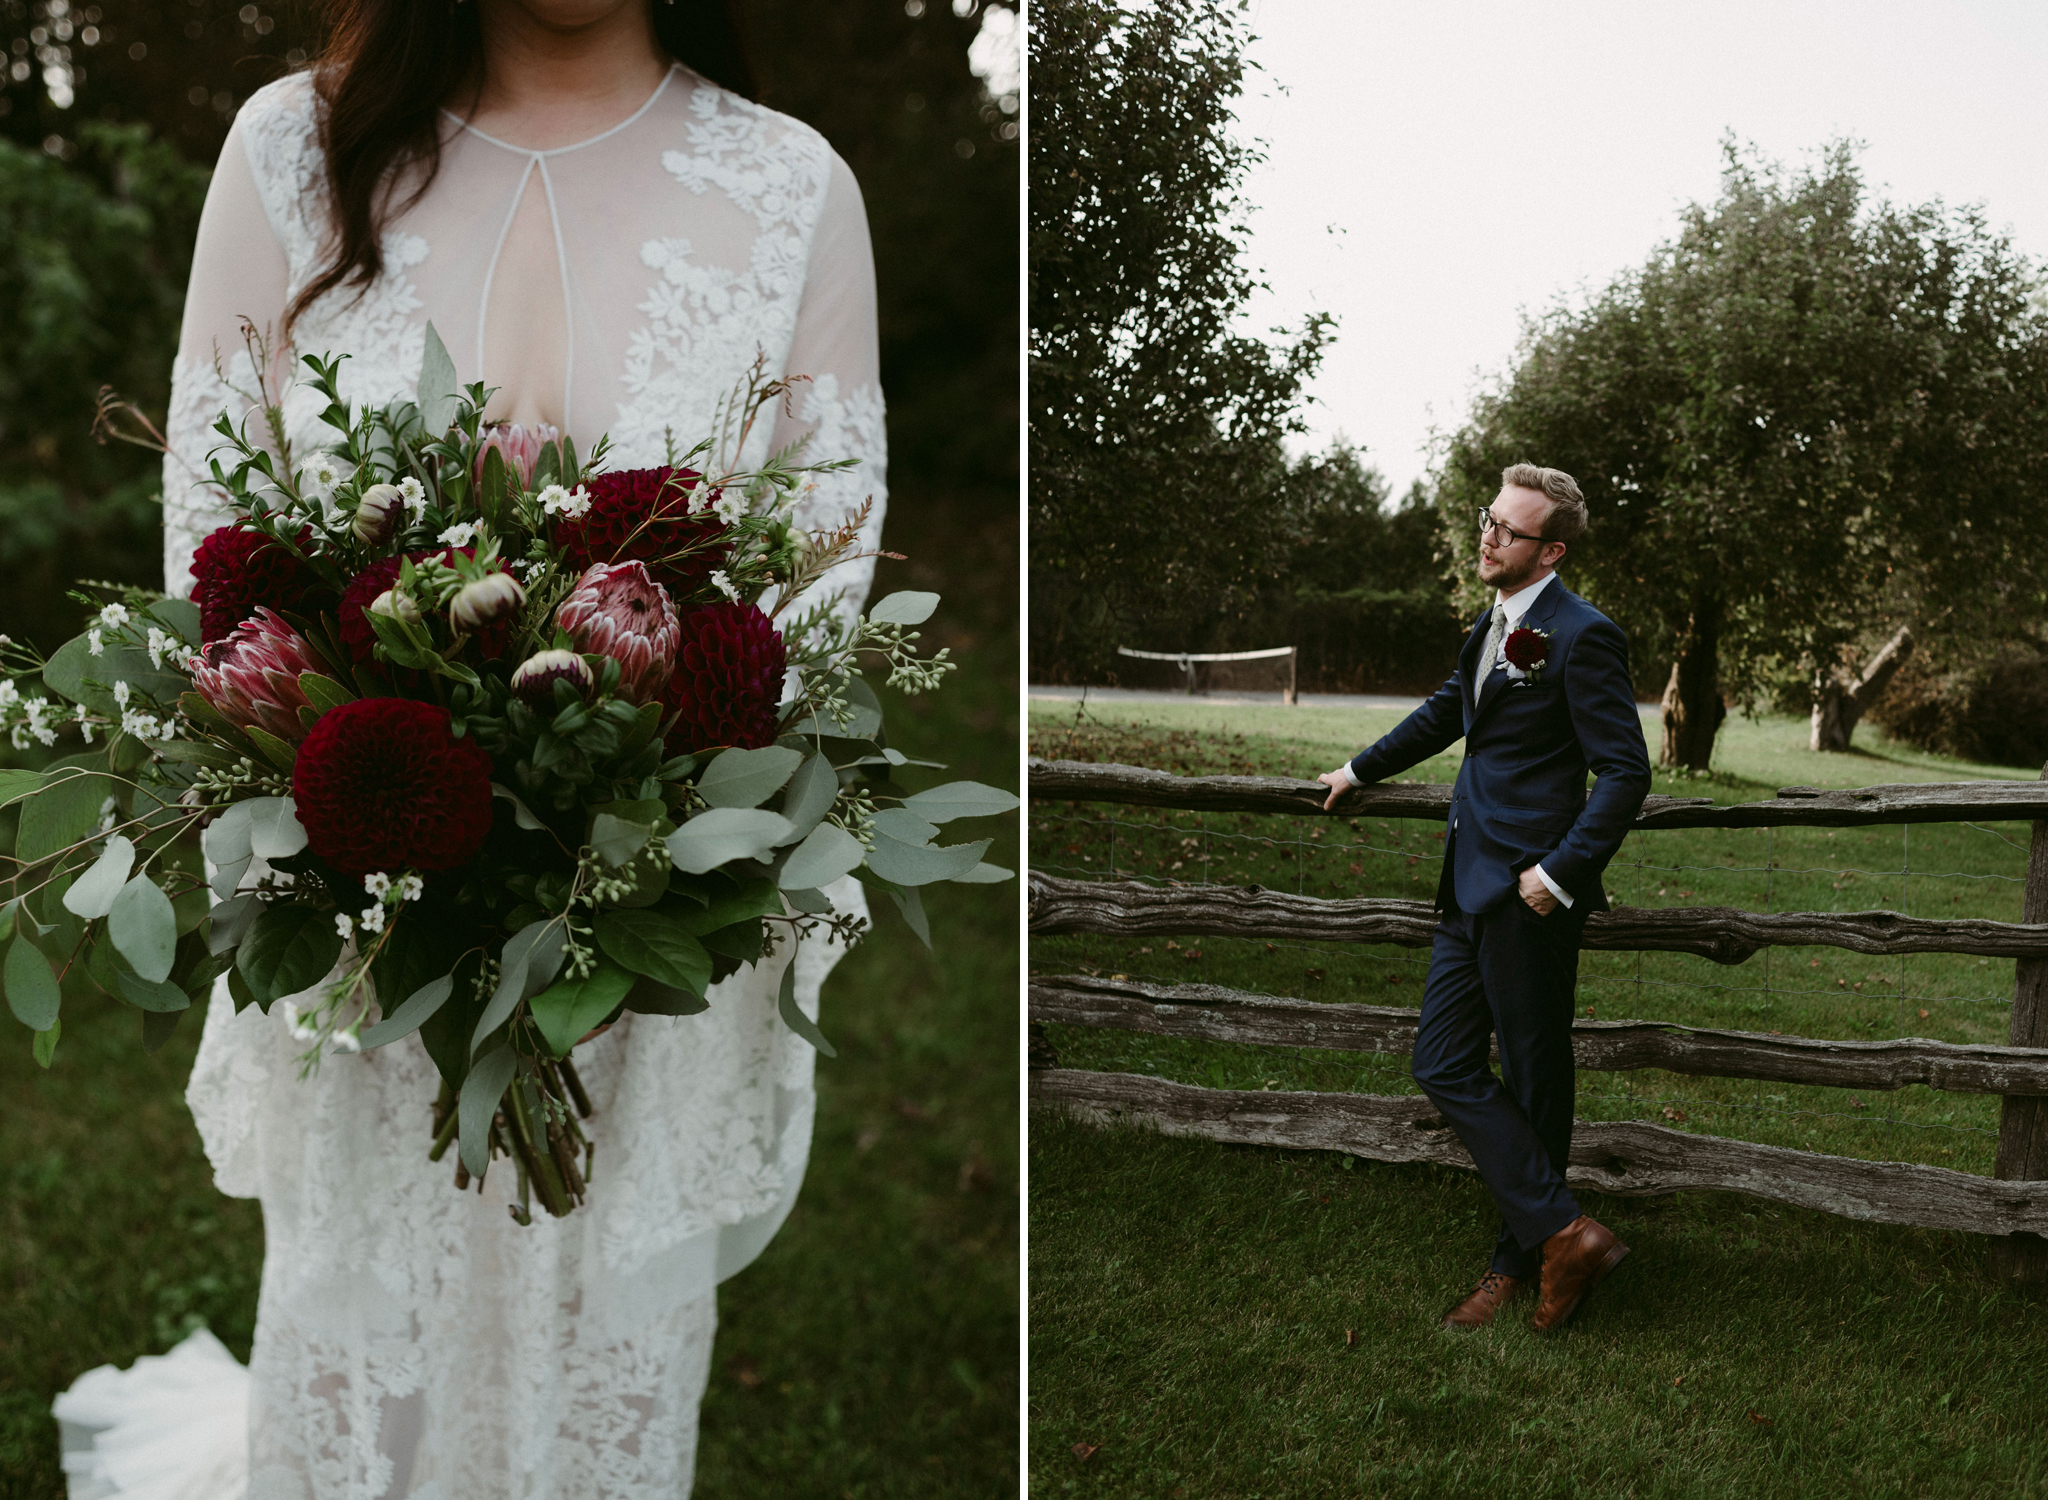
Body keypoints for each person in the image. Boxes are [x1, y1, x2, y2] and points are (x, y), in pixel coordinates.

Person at [53, 2, 886, 1494]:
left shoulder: (794, 190)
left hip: (642, 941)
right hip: (361, 908)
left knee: (601, 1347)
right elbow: (212, 540)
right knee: (364, 1321)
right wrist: (340, 815)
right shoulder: (290, 154)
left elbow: (820, 587)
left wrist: (623, 855)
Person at [1316, 463, 1650, 1334]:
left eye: (1508, 529)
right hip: (1466, 881)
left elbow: (1625, 773)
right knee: (1443, 1061)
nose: (1488, 536)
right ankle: (1564, 1232)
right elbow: (1447, 711)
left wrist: (1558, 873)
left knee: (1536, 1080)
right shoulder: (1492, 622)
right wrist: (1358, 769)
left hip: (1529, 893)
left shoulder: (1584, 634)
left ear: (1552, 550)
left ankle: (1519, 1262)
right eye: (1489, 520)